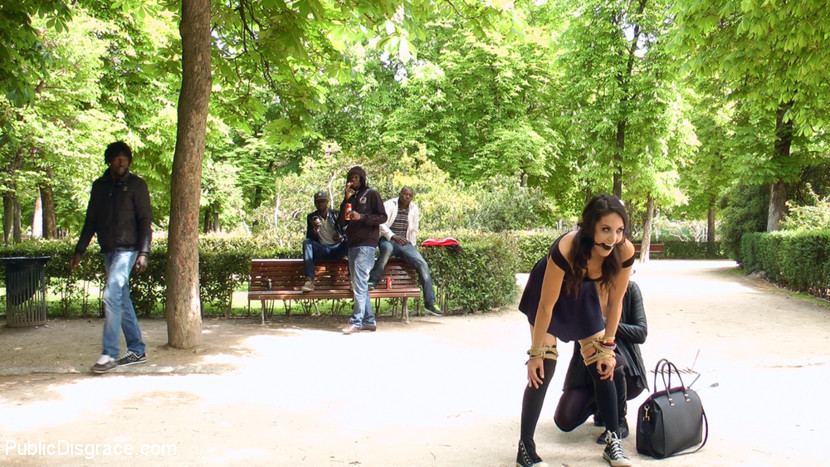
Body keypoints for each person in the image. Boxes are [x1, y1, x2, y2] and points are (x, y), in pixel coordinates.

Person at [516, 194, 635, 467]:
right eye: (605, 229)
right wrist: (535, 354)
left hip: (582, 293)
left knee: (602, 363)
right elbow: (546, 305)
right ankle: (526, 448)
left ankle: (613, 440)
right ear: (590, 227)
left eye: (619, 230)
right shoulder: (567, 247)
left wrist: (608, 346)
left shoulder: (624, 250)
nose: (613, 238)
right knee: (544, 366)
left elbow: (616, 302)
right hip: (549, 294)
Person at [70, 141, 153, 374]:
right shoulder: (99, 187)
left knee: (111, 293)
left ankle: (109, 354)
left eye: (125, 157)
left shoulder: (137, 185)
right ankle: (137, 349)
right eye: (117, 157)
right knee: (120, 298)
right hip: (108, 249)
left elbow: (145, 221)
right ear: (109, 160)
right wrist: (79, 250)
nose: (121, 160)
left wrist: (144, 252)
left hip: (128, 250)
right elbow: (91, 221)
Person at [554, 280, 648, 443]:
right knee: (565, 420)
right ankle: (603, 406)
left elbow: (641, 332)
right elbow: (565, 335)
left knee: (614, 363)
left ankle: (619, 422)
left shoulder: (630, 288)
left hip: (626, 372)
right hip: (586, 369)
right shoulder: (581, 288)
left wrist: (603, 324)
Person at [368, 187, 441, 316]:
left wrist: (412, 246)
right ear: (400, 194)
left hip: (404, 243)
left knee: (422, 263)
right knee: (387, 249)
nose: (407, 197)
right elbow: (380, 223)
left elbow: (414, 229)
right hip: (388, 239)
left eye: (410, 195)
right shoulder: (390, 204)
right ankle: (372, 281)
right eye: (405, 194)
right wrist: (393, 236)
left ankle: (430, 302)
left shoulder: (414, 208)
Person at [337, 166, 387, 334]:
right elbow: (341, 222)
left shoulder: (371, 194)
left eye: (356, 177)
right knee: (359, 284)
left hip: (367, 243)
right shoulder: (351, 198)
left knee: (359, 283)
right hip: (352, 243)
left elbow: (382, 216)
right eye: (350, 178)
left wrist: (362, 217)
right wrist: (346, 200)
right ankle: (369, 321)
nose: (353, 180)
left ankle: (356, 322)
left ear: (362, 179)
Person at [301, 191, 348, 292]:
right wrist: (314, 230)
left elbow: (345, 231)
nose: (320, 204)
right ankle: (309, 281)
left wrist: (341, 238)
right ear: (315, 203)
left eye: (322, 201)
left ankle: (353, 279)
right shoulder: (311, 217)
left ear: (327, 202)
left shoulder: (336, 214)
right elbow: (309, 238)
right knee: (306, 242)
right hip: (322, 249)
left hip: (336, 248)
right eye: (318, 202)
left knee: (349, 241)